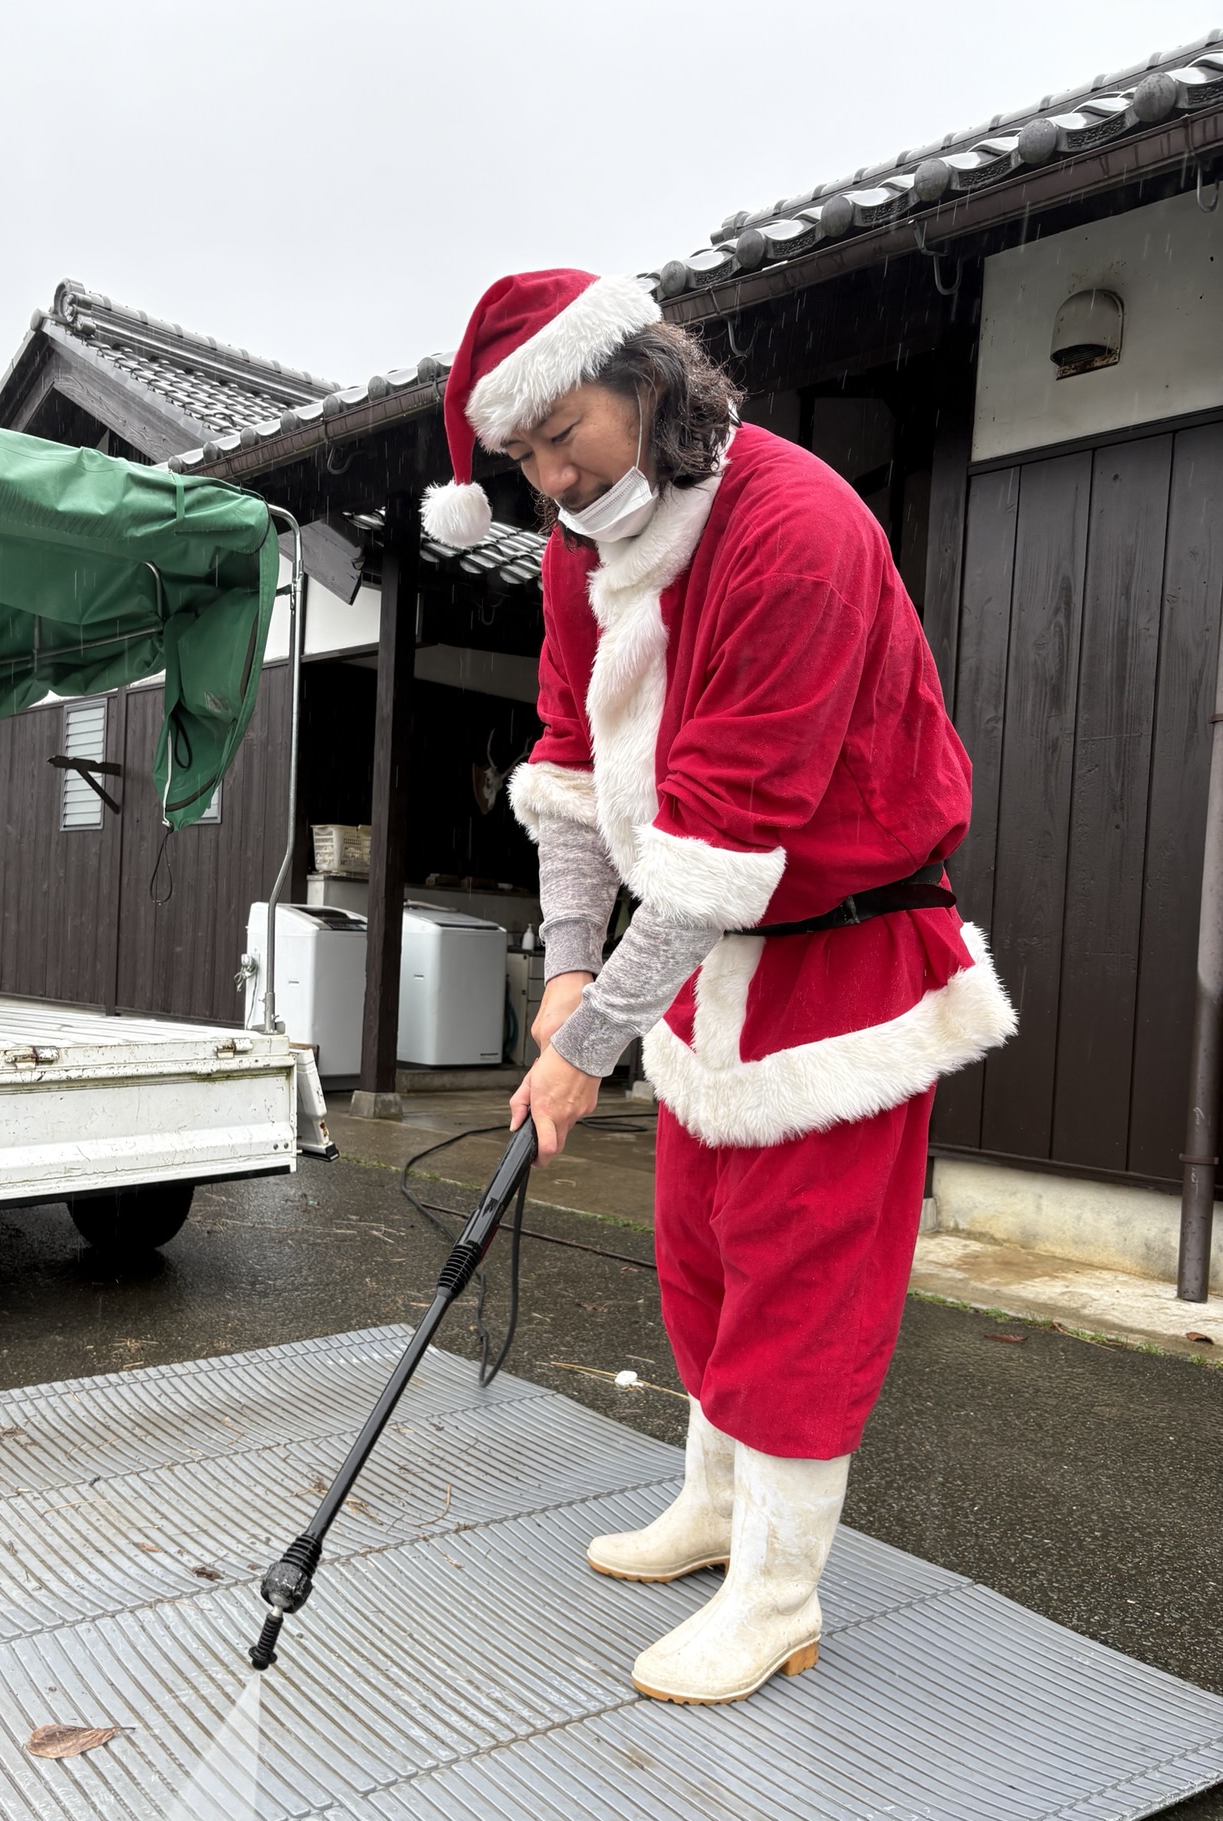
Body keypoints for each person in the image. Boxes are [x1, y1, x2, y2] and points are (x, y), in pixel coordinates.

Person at [422, 269, 1015, 1706]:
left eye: (569, 434)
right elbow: (567, 771)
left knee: (805, 1273)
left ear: (648, 381)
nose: (555, 477)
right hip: (709, 959)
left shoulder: (795, 528)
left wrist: (589, 1051)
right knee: (700, 1247)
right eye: (524, 461)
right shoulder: (580, 548)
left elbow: (726, 836)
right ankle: (710, 1507)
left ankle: (780, 1593)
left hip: (846, 949)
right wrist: (568, 978)